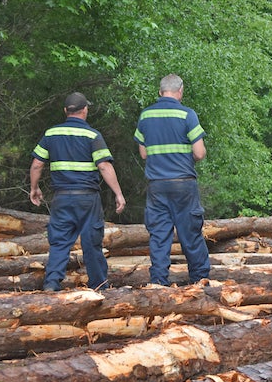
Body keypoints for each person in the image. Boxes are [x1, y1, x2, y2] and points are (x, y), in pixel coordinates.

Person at [29, 92, 126, 291]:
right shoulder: (92, 136)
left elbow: (37, 164)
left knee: (59, 242)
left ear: (66, 111)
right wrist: (118, 193)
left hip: (62, 198)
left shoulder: (51, 134)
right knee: (92, 243)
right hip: (87, 199)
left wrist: (34, 188)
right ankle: (99, 286)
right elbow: (105, 167)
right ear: (85, 110)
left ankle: (52, 283)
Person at [134, 74, 210, 285]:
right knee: (191, 234)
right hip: (183, 183)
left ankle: (158, 283)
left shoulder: (146, 116)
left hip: (157, 185)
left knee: (159, 235)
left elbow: (143, 153)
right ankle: (200, 281)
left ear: (160, 92)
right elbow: (200, 152)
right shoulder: (187, 115)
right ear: (180, 91)